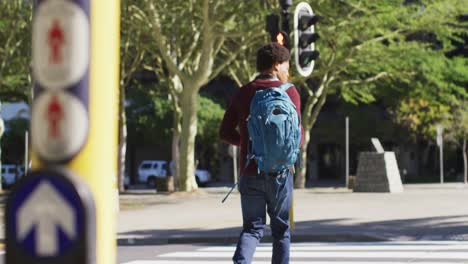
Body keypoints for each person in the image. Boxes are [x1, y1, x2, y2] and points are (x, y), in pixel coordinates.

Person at [219, 43, 303, 264]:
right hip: (281, 175)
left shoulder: (244, 92)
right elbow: (297, 137)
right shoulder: (291, 93)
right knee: (281, 231)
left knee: (252, 229)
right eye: (286, 66)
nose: (288, 71)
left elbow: (225, 132)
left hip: (250, 171)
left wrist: (248, 144)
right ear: (276, 65)